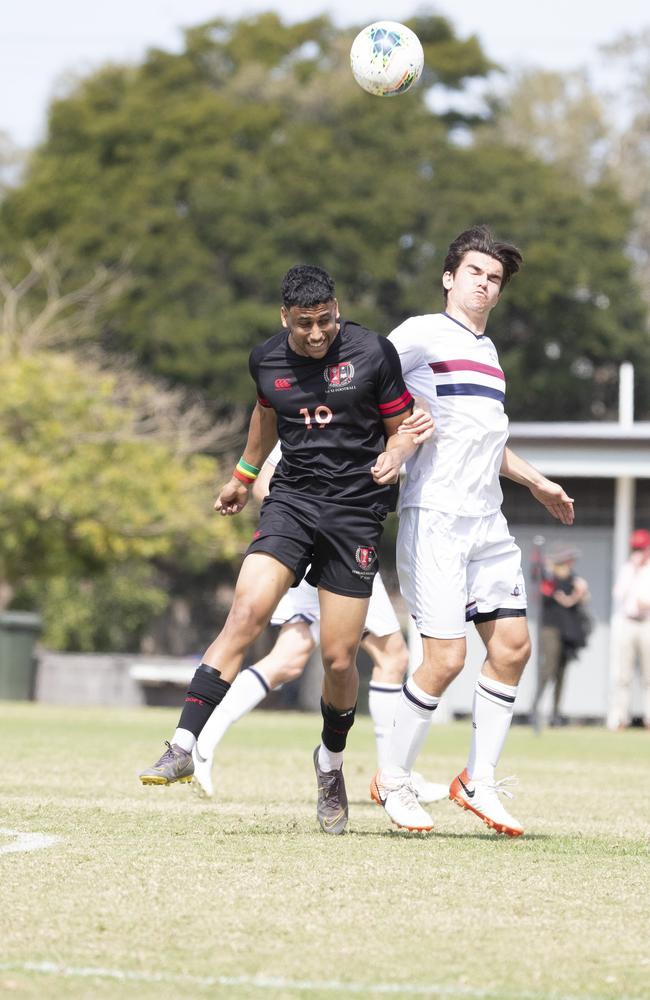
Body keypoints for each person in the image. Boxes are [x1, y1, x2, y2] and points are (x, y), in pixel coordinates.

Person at [139, 263, 433, 835]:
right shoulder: (267, 359)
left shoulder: (373, 353)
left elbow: (403, 425)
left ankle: (331, 762)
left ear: (337, 310)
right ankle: (181, 743)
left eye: (325, 320)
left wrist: (396, 455)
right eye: (305, 324)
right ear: (285, 319)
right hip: (292, 501)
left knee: (340, 659)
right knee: (246, 612)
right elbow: (265, 413)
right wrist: (244, 474)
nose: (318, 333)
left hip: (355, 513)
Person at [370, 224, 575, 837]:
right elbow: (363, 378)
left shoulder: (488, 355)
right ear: (449, 277)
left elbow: (490, 443)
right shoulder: (420, 333)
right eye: (475, 274)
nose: (485, 286)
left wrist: (537, 482)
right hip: (435, 517)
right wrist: (397, 438)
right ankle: (393, 778)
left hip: (488, 519)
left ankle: (477, 781)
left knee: (513, 647)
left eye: (494, 279)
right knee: (445, 659)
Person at [190, 444, 448, 804]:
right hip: (334, 548)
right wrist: (311, 525)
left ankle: (202, 745)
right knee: (392, 657)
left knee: (289, 657)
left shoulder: (379, 411)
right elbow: (267, 484)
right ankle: (393, 775)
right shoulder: (334, 405)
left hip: (333, 541)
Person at [531, 545, 590, 727]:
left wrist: (579, 594)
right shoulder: (548, 578)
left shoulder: (574, 580)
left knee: (561, 673)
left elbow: (582, 599)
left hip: (568, 631)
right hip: (551, 629)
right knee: (547, 670)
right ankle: (535, 709)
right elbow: (541, 588)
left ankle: (556, 714)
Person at [608, 528, 650, 730]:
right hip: (628, 622)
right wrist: (633, 570)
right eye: (636, 548)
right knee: (622, 675)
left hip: (647, 622)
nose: (639, 552)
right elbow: (619, 593)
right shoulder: (627, 569)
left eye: (642, 548)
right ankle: (619, 719)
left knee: (648, 675)